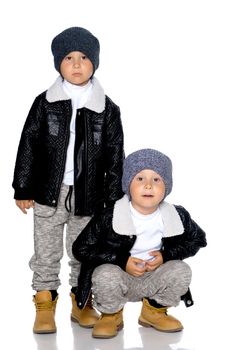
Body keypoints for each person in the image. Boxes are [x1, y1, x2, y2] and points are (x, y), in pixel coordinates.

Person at [12, 26, 124, 334]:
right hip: (49, 191)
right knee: (46, 251)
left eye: (84, 57)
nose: (76, 64)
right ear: (58, 63)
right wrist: (23, 186)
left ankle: (81, 301)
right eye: (69, 58)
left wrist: (113, 199)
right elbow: (29, 144)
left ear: (95, 62)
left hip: (90, 194)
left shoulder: (107, 109)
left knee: (82, 250)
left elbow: (116, 155)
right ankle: (44, 303)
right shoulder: (45, 102)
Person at [72, 148, 207, 339]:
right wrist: (120, 260)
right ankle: (111, 315)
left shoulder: (176, 215)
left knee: (181, 269)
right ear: (128, 184)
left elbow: (198, 239)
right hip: (121, 278)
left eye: (156, 179)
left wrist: (166, 256)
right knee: (105, 274)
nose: (148, 186)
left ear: (166, 186)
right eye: (140, 179)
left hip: (154, 277)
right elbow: (81, 248)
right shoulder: (110, 215)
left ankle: (154, 312)